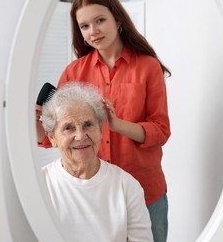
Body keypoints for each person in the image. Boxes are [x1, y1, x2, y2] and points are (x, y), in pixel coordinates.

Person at [36, 0, 171, 241]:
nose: (93, 31)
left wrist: (117, 124)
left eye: (100, 20)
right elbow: (54, 135)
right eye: (84, 26)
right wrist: (37, 121)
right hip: (94, 193)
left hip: (146, 189)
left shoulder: (147, 67)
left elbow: (161, 130)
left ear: (117, 19)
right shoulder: (74, 72)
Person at [40, 82, 153, 242]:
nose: (80, 136)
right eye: (68, 128)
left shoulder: (126, 185)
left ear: (100, 131)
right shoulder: (39, 184)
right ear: (52, 138)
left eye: (88, 125)